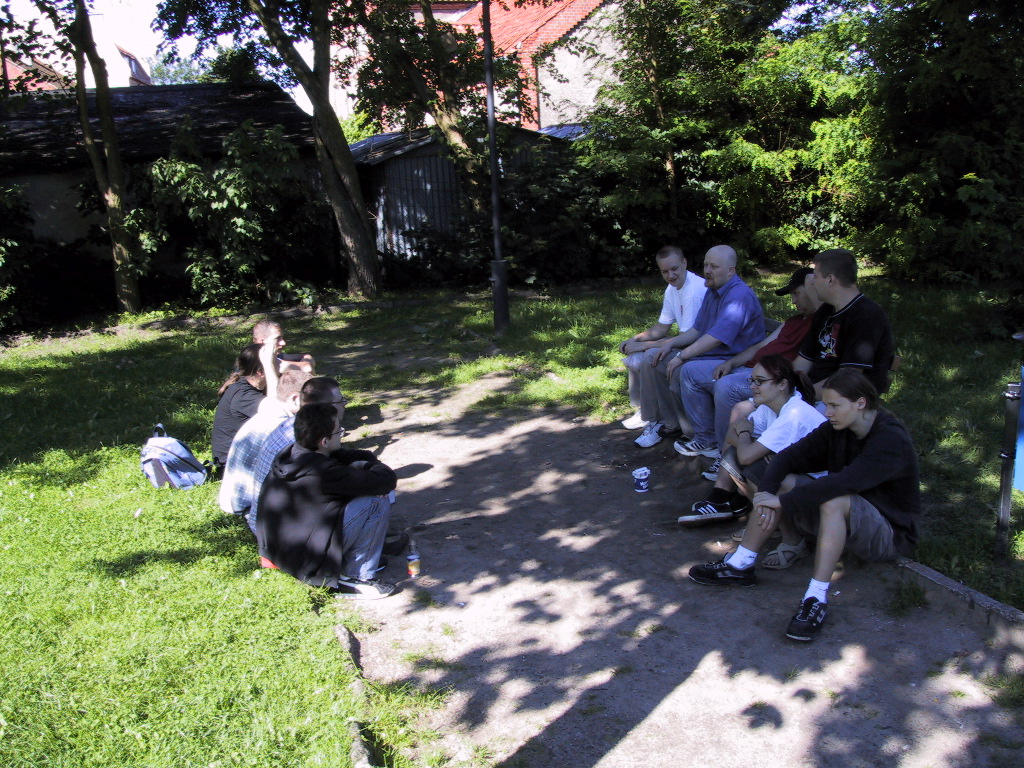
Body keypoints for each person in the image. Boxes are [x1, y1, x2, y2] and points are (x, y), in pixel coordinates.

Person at [688, 369, 920, 643]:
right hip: (844, 522)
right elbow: (787, 457)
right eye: (826, 405)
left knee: (835, 499)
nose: (827, 412)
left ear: (861, 403)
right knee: (774, 474)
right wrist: (766, 493)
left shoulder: (890, 439)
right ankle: (741, 564)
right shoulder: (836, 428)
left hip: (887, 534)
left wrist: (781, 501)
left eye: (835, 406)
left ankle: (815, 598)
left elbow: (844, 483)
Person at [258, 403, 398, 599]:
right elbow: (386, 480)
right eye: (338, 431)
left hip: (283, 553)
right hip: (309, 562)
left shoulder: (291, 454)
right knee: (375, 501)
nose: (342, 434)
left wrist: (362, 461)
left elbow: (349, 455)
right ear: (324, 441)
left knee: (365, 493)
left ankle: (349, 562)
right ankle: (355, 577)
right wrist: (367, 466)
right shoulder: (323, 473)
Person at [697, 267, 822, 480]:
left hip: (769, 380)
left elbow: (797, 370)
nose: (793, 301)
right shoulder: (792, 321)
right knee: (690, 371)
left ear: (812, 288)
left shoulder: (817, 323)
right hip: (751, 369)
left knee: (726, 388)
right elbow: (759, 346)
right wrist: (732, 362)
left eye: (796, 293)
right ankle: (701, 439)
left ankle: (723, 457)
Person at [677, 354, 825, 528]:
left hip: (819, 488)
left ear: (782, 384)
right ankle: (763, 521)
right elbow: (731, 435)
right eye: (752, 380)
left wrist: (745, 434)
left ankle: (780, 530)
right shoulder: (769, 407)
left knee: (754, 464)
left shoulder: (794, 413)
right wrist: (746, 438)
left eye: (760, 381)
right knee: (736, 455)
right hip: (796, 478)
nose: (753, 386)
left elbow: (746, 455)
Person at [666, 245, 767, 464]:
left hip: (741, 363)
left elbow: (716, 338)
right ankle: (689, 432)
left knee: (688, 370)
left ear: (731, 271)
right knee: (666, 360)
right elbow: (698, 330)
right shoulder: (713, 290)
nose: (707, 271)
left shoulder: (738, 296)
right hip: (720, 357)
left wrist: (682, 356)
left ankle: (713, 445)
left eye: (714, 266)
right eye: (706, 265)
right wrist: (670, 344)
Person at [619, 246, 708, 447]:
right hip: (688, 343)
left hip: (701, 348)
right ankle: (647, 412)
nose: (670, 275)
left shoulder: (694, 291)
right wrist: (635, 340)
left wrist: (644, 346)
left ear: (684, 263)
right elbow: (662, 327)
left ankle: (655, 420)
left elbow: (687, 338)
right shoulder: (672, 288)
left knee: (651, 356)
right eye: (665, 271)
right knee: (638, 354)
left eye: (674, 269)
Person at [218, 367, 314, 531]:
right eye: (313, 401)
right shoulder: (283, 429)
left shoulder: (271, 412)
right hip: (247, 505)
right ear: (295, 399)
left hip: (237, 498)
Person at [795, 249, 894, 399]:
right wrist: (781, 387)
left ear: (830, 279)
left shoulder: (866, 316)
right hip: (812, 396)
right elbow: (802, 362)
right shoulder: (826, 311)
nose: (812, 282)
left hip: (843, 402)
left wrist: (798, 399)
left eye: (815, 276)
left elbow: (846, 381)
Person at [211, 343, 269, 471]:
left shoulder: (252, 385)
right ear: (260, 372)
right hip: (232, 464)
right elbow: (278, 414)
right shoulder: (243, 394)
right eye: (276, 362)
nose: (282, 364)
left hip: (245, 453)